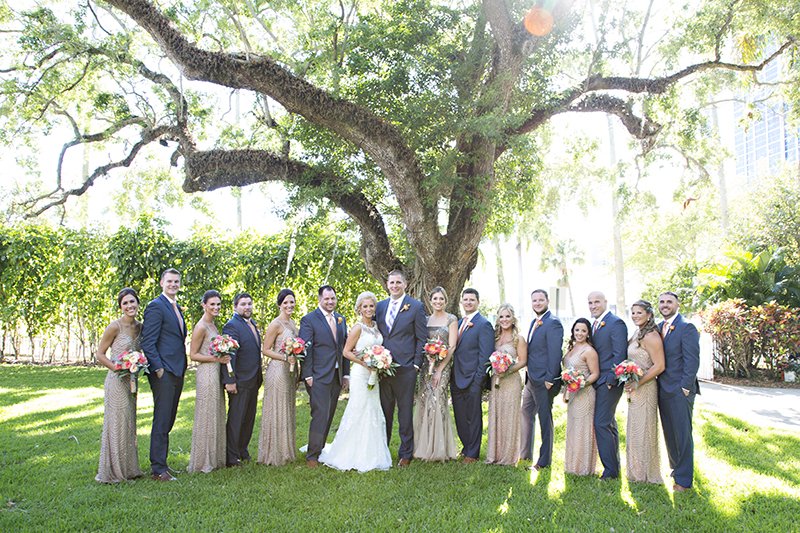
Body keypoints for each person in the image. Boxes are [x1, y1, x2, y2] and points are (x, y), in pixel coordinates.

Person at [319, 292, 392, 471]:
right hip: (361, 373)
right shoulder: (357, 328)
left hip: (374, 373)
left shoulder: (376, 327)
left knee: (373, 409)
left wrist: (379, 362)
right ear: (359, 309)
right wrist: (366, 363)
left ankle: (373, 453)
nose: (368, 309)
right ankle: (351, 453)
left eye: (371, 306)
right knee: (359, 409)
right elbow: (346, 351)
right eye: (364, 306)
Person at [375, 270, 427, 466]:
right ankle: (382, 449)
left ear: (405, 284)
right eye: (392, 283)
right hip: (382, 367)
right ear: (387, 285)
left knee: (404, 412)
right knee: (384, 411)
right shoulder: (380, 307)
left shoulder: (415, 306)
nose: (395, 286)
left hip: (405, 368)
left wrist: (415, 364)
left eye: (398, 282)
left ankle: (406, 453)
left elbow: (421, 338)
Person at [142, 268, 187, 481]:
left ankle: (163, 463)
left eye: (176, 281)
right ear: (161, 282)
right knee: (162, 419)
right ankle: (158, 469)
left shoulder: (175, 306)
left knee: (169, 418)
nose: (173, 285)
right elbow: (148, 342)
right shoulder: (155, 307)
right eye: (169, 281)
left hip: (177, 368)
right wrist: (158, 368)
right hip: (164, 371)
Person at [95, 288, 144, 483]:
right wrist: (118, 368)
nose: (130, 306)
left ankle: (129, 468)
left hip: (132, 381)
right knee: (117, 423)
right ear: (121, 307)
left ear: (138, 304)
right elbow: (99, 354)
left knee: (129, 423)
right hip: (116, 380)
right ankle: (113, 472)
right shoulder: (114, 327)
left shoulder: (141, 327)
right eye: (125, 303)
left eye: (133, 302)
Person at [300, 285, 349, 468]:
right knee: (320, 414)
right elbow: (305, 349)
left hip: (336, 375)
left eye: (333, 298)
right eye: (326, 299)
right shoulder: (309, 320)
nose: (330, 302)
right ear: (320, 299)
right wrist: (308, 375)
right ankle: (312, 456)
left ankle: (319, 449)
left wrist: (346, 374)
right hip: (318, 375)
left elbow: (343, 348)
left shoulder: (340, 319)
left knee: (328, 414)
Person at [657, 291, 700, 492]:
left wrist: (684, 387)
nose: (665, 305)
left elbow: (692, 361)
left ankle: (684, 481)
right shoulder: (659, 328)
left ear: (677, 304)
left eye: (669, 302)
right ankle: (676, 470)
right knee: (669, 433)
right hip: (662, 389)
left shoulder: (686, 327)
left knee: (682, 434)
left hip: (679, 390)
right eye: (662, 302)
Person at [520, 289, 564, 471]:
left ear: (547, 301)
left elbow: (555, 353)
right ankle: (525, 454)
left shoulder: (553, 323)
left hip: (544, 380)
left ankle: (543, 462)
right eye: (534, 300)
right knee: (526, 412)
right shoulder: (534, 322)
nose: (537, 303)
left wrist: (550, 379)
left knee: (545, 420)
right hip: (531, 379)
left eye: (540, 300)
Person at [413, 286, 458, 462]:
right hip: (426, 366)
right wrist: (430, 361)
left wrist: (440, 368)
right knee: (424, 402)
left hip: (443, 367)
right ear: (430, 301)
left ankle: (439, 448)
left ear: (446, 301)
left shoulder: (451, 319)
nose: (438, 302)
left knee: (438, 401)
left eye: (441, 299)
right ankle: (423, 446)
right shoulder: (424, 320)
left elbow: (452, 347)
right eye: (435, 299)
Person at [587, 290, 628, 480]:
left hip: (609, 381)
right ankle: (614, 467)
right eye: (590, 303)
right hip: (597, 380)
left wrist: (612, 380)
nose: (593, 305)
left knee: (601, 423)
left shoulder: (615, 323)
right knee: (608, 423)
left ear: (605, 302)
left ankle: (610, 472)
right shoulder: (593, 325)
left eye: (596, 302)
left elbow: (620, 354)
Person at [450, 288, 494, 463]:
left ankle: (473, 453)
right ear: (461, 302)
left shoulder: (484, 325)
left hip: (473, 379)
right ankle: (466, 446)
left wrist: (478, 381)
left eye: (472, 300)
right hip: (456, 377)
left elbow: (485, 356)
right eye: (465, 299)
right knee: (460, 416)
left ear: (478, 302)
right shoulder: (459, 322)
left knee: (473, 417)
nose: (468, 302)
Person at [187, 290, 228, 473]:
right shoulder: (202, 326)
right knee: (206, 414)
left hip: (215, 372)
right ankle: (203, 460)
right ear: (204, 305)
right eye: (212, 304)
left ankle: (215, 457)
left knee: (215, 412)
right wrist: (216, 360)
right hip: (206, 373)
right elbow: (193, 354)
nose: (216, 307)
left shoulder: (213, 325)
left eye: (218, 304)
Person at [258, 288, 299, 466]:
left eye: (292, 302)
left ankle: (286, 451)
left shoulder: (292, 324)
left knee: (287, 408)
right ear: (279, 305)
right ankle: (273, 453)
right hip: (278, 370)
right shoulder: (276, 324)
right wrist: (284, 357)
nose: (289, 305)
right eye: (285, 303)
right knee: (277, 409)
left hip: (290, 371)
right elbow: (265, 349)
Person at [221, 292, 263, 467]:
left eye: (249, 304)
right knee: (236, 419)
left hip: (253, 379)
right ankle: (231, 456)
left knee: (248, 418)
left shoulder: (251, 323)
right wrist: (230, 380)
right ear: (235, 307)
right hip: (239, 379)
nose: (247, 307)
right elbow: (229, 356)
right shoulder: (232, 326)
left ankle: (242, 449)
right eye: (243, 304)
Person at [625, 299, 665, 484]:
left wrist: (638, 382)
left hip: (646, 388)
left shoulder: (652, 336)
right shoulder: (637, 333)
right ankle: (635, 472)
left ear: (649, 314)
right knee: (635, 429)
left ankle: (647, 473)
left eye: (639, 312)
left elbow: (659, 366)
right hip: (634, 387)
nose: (635, 316)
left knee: (645, 429)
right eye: (633, 312)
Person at [485, 304, 527, 466]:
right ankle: (494, 455)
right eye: (501, 317)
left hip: (511, 381)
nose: (504, 320)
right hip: (496, 381)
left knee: (510, 416)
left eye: (507, 316)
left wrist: (506, 370)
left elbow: (523, 361)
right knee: (496, 414)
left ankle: (508, 457)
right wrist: (497, 370)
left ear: (513, 318)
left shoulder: (519, 339)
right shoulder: (494, 337)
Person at [562, 318, 600, 476]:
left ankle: (584, 468)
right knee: (573, 428)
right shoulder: (571, 348)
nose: (579, 333)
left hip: (585, 394)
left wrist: (580, 384)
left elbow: (595, 374)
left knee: (583, 429)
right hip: (573, 394)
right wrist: (567, 390)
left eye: (583, 331)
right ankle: (572, 465)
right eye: (577, 330)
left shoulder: (589, 351)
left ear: (588, 333)